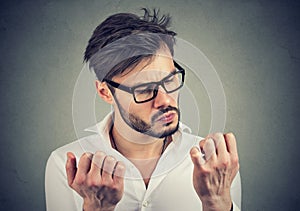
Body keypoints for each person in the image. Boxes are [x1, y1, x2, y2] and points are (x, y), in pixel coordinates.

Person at [45, 8, 241, 211]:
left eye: (170, 79)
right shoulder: (66, 165)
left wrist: (217, 203)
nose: (165, 100)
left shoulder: (218, 164)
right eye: (145, 89)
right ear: (105, 93)